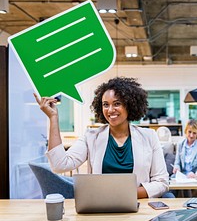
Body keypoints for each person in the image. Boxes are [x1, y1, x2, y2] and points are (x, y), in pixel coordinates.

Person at [34, 77, 169, 199]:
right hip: (101, 206)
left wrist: (127, 194)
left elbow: (162, 182)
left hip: (137, 206)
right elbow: (59, 165)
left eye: (117, 104)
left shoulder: (148, 136)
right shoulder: (91, 137)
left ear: (130, 105)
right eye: (105, 104)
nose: (110, 110)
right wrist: (53, 118)